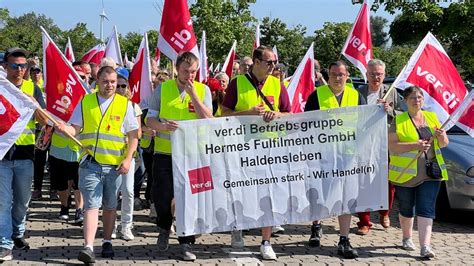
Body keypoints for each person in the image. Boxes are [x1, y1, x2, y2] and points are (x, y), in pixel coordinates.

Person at [55, 66, 139, 264]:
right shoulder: (86, 102)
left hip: (115, 166)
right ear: (97, 81)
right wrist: (63, 129)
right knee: (91, 206)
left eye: (113, 82)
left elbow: (133, 136)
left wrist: (127, 160)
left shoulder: (124, 104)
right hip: (90, 163)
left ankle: (107, 241)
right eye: (105, 81)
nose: (110, 86)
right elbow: (75, 129)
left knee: (110, 206)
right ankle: (88, 247)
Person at [221, 45, 291, 260]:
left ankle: (266, 241)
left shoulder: (277, 84)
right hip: (241, 147)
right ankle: (237, 230)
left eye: (274, 62)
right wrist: (248, 113)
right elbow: (224, 113)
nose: (273, 66)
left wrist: (274, 114)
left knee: (268, 195)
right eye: (269, 62)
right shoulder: (237, 83)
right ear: (257, 62)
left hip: (270, 147)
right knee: (240, 191)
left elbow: (289, 113)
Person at [146, 52, 213, 261]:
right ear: (177, 69)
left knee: (190, 200)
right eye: (186, 71)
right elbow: (149, 120)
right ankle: (164, 226)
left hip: (193, 155)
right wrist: (163, 127)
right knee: (163, 196)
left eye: (193, 71)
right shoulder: (163, 89)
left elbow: (209, 119)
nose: (190, 75)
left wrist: (194, 96)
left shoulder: (203, 90)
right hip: (165, 153)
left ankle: (186, 242)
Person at [304, 60, 366, 259]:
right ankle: (316, 225)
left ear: (347, 75)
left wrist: (381, 110)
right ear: (327, 75)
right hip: (323, 155)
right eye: (333, 74)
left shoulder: (357, 96)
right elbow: (306, 123)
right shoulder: (316, 95)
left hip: (348, 156)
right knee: (319, 194)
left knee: (346, 197)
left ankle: (344, 239)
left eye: (341, 74)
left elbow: (366, 122)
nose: (337, 78)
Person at [388, 86, 448, 259]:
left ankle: (425, 246)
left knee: (426, 208)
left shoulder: (432, 117)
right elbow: (392, 146)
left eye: (420, 97)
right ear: (405, 101)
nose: (417, 100)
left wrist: (442, 135)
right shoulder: (398, 120)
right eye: (413, 98)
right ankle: (407, 237)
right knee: (407, 208)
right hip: (405, 174)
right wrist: (415, 145)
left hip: (431, 173)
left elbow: (443, 144)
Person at [0, 47, 46, 262]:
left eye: (23, 66)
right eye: (14, 66)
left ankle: (18, 232)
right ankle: (5, 242)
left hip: (25, 154)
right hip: (2, 154)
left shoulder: (32, 88)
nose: (19, 70)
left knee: (22, 200)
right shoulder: (2, 88)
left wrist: (33, 105)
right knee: (3, 201)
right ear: (6, 67)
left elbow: (44, 120)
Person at [355, 59, 402, 235]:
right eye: (373, 74)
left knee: (387, 182)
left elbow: (402, 115)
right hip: (364, 145)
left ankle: (384, 213)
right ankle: (364, 221)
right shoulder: (358, 93)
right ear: (366, 75)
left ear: (384, 75)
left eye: (379, 74)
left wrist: (389, 110)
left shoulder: (393, 93)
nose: (376, 77)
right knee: (363, 182)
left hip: (385, 144)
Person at [113, 66, 142, 241]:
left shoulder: (133, 106)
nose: (121, 89)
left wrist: (128, 130)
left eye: (124, 86)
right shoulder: (107, 104)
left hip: (128, 155)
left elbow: (138, 133)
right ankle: (112, 223)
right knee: (113, 192)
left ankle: (126, 225)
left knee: (128, 190)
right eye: (118, 85)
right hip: (111, 153)